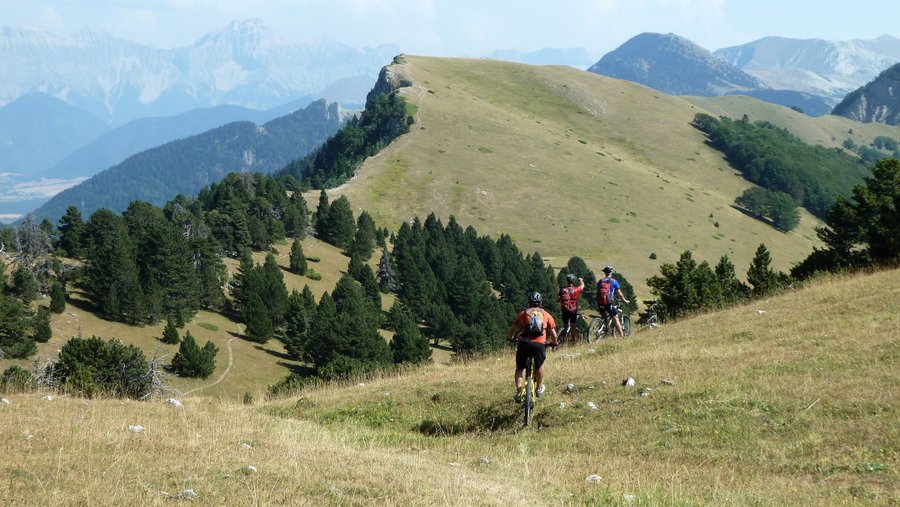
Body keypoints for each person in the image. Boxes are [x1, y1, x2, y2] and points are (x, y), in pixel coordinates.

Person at [507, 291, 558, 403]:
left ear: (529, 302)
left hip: (524, 343)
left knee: (520, 368)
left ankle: (519, 393)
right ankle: (538, 389)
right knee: (539, 366)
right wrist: (554, 343)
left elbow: (512, 329)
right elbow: (553, 334)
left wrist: (510, 338)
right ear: (540, 303)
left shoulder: (524, 313)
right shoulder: (546, 314)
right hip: (539, 344)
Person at [596, 265, 631, 337]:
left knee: (603, 317)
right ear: (611, 273)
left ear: (605, 273)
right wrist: (624, 300)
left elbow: (598, 290)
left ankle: (604, 331)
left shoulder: (600, 281)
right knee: (615, 318)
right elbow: (620, 293)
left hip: (600, 302)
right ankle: (622, 336)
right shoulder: (614, 282)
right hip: (608, 302)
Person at [557, 273, 584, 343]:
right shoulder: (576, 289)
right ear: (573, 281)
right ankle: (573, 341)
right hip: (572, 310)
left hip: (564, 309)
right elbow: (582, 286)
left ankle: (561, 339)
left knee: (565, 325)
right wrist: (581, 280)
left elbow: (557, 300)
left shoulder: (562, 289)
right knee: (573, 326)